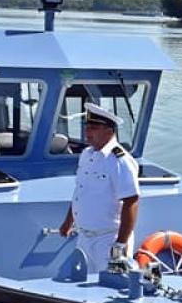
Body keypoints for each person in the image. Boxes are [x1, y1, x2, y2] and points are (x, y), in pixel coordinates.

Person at [59, 103, 140, 273]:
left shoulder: (119, 160)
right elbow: (80, 192)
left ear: (109, 131)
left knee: (111, 288)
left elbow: (131, 201)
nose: (88, 133)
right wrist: (68, 221)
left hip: (108, 240)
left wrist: (120, 243)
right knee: (84, 288)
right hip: (85, 238)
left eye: (94, 128)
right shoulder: (87, 155)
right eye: (87, 127)